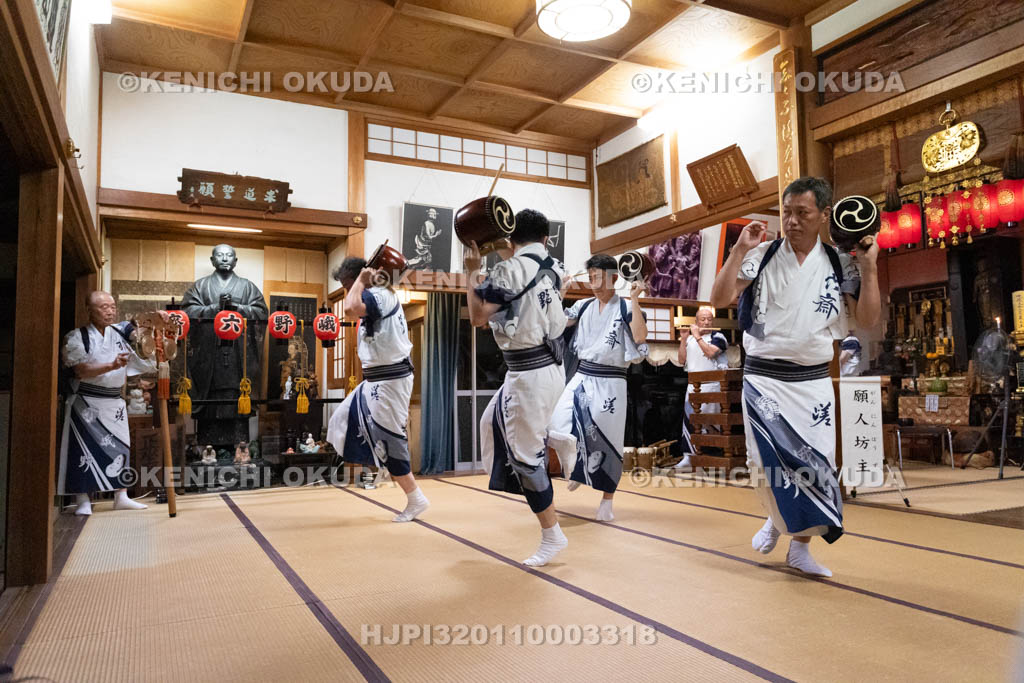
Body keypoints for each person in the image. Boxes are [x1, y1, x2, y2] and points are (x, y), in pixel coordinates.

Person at [710, 176, 880, 577]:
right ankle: (777, 516)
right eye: (786, 213)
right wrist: (738, 250)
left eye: (802, 213)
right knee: (765, 460)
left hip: (813, 380)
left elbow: (868, 320)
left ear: (824, 215)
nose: (792, 221)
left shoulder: (841, 263)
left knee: (816, 462)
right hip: (764, 378)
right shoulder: (764, 254)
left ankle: (798, 547)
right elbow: (719, 298)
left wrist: (870, 269)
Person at [466, 208, 568, 567]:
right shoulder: (556, 269)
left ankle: (552, 535)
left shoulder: (507, 271)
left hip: (528, 374)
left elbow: (479, 317)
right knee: (490, 422)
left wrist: (470, 271)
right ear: (545, 239)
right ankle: (557, 437)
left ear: (510, 238)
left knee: (525, 459)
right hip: (550, 369)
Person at [327, 256, 429, 523]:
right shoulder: (377, 294)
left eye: (349, 284)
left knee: (389, 441)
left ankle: (415, 498)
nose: (349, 291)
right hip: (374, 380)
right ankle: (373, 462)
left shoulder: (380, 295)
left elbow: (350, 309)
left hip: (390, 379)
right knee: (342, 420)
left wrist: (360, 282)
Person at [547, 254, 648, 521]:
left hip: (612, 380)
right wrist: (562, 291)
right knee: (557, 422)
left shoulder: (625, 307)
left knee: (607, 439)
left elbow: (639, 337)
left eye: (597, 276)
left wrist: (636, 300)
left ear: (613, 277)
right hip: (582, 375)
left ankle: (607, 499)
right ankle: (579, 469)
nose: (592, 281)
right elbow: (555, 323)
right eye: (590, 276)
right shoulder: (582, 305)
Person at [58, 292, 155, 515]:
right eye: (103, 307)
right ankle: (82, 499)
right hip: (86, 402)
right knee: (83, 450)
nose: (109, 311)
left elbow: (138, 332)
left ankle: (121, 495)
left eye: (112, 306)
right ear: (89, 310)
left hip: (114, 401)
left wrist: (156, 321)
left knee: (120, 447)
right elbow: (80, 370)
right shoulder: (78, 337)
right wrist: (111, 365)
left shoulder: (120, 331)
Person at [182, 244, 268, 446]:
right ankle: (208, 448)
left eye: (229, 255)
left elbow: (262, 313)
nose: (224, 258)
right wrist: (214, 308)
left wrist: (236, 308)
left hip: (239, 354)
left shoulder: (247, 287)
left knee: (237, 395)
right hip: (209, 354)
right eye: (219, 255)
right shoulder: (200, 286)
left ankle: (239, 449)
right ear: (212, 260)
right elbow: (186, 312)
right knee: (210, 399)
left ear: (235, 261)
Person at [676, 306, 729, 469]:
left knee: (711, 423)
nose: (706, 322)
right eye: (702, 319)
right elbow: (681, 361)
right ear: (696, 321)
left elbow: (711, 353)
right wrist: (685, 339)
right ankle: (689, 457)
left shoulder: (718, 336)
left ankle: (713, 457)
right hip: (693, 387)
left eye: (709, 319)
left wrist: (697, 336)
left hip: (712, 387)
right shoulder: (692, 339)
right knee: (691, 422)